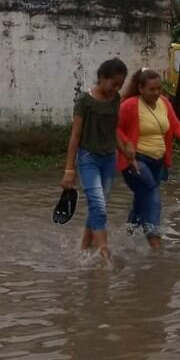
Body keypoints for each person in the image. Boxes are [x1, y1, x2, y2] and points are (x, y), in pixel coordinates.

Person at [117, 68, 180, 250]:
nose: (156, 93)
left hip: (158, 162)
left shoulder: (164, 103)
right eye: (151, 89)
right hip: (136, 161)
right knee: (152, 193)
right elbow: (115, 128)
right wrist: (126, 145)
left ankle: (127, 238)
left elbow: (176, 125)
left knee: (142, 199)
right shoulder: (130, 105)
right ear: (140, 88)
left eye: (159, 89)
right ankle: (155, 243)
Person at [61, 58, 128, 262]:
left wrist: (125, 150)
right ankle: (104, 251)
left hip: (109, 159)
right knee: (98, 204)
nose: (116, 88)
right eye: (113, 83)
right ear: (101, 78)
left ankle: (84, 245)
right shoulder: (84, 101)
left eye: (120, 85)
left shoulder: (115, 99)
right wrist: (69, 169)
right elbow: (75, 136)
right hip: (88, 158)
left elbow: (113, 130)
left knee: (100, 205)